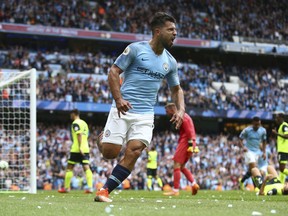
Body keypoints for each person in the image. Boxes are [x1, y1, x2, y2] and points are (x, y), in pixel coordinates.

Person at [94, 12, 185, 202]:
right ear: (158, 32)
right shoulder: (135, 50)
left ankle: (104, 191)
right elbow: (113, 72)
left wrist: (181, 110)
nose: (175, 33)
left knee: (134, 151)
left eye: (175, 30)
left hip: (145, 114)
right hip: (123, 108)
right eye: (171, 30)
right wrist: (118, 99)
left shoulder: (171, 62)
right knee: (109, 153)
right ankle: (102, 139)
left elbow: (176, 89)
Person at [163, 103, 199, 196]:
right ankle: (194, 184)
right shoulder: (184, 116)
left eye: (167, 111)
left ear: (172, 110)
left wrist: (191, 144)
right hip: (190, 142)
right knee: (182, 167)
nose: (166, 114)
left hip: (186, 142)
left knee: (176, 164)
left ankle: (175, 190)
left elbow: (189, 132)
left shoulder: (183, 117)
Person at [58, 109, 93, 193]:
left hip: (77, 149)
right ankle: (90, 187)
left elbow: (79, 134)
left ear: (74, 114)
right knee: (86, 167)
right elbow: (86, 135)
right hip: (85, 148)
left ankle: (66, 188)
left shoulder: (75, 123)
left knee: (69, 167)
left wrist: (80, 147)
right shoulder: (84, 123)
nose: (70, 116)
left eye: (71, 114)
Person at [238, 116, 267, 190]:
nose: (257, 126)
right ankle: (257, 187)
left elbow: (264, 141)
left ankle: (242, 181)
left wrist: (264, 152)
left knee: (252, 170)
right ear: (253, 123)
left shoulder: (263, 131)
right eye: (256, 125)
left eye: (259, 125)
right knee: (254, 168)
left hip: (257, 152)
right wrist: (243, 147)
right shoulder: (247, 130)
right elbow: (240, 139)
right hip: (248, 151)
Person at [272, 112, 288, 184]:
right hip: (281, 150)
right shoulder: (281, 126)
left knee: (282, 169)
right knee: (281, 169)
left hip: (284, 150)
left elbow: (287, 135)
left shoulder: (285, 125)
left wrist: (276, 133)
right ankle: (281, 184)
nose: (276, 119)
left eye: (277, 117)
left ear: (281, 118)